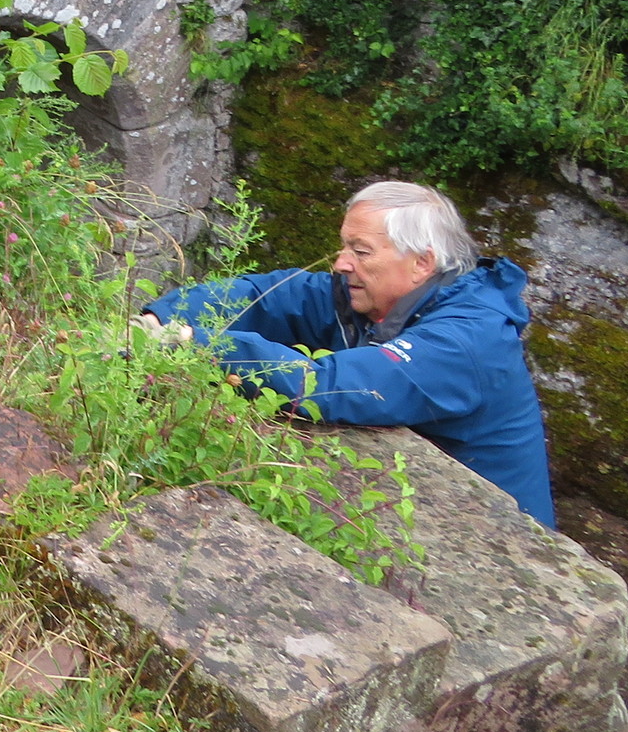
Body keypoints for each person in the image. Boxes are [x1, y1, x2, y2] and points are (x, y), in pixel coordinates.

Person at [135, 180, 557, 526]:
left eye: (361, 251)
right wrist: (159, 318)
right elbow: (269, 296)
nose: (341, 263)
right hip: (411, 512)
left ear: (421, 263)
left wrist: (195, 343)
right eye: (344, 246)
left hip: (495, 538)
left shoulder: (465, 340)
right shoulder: (371, 298)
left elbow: (334, 386)